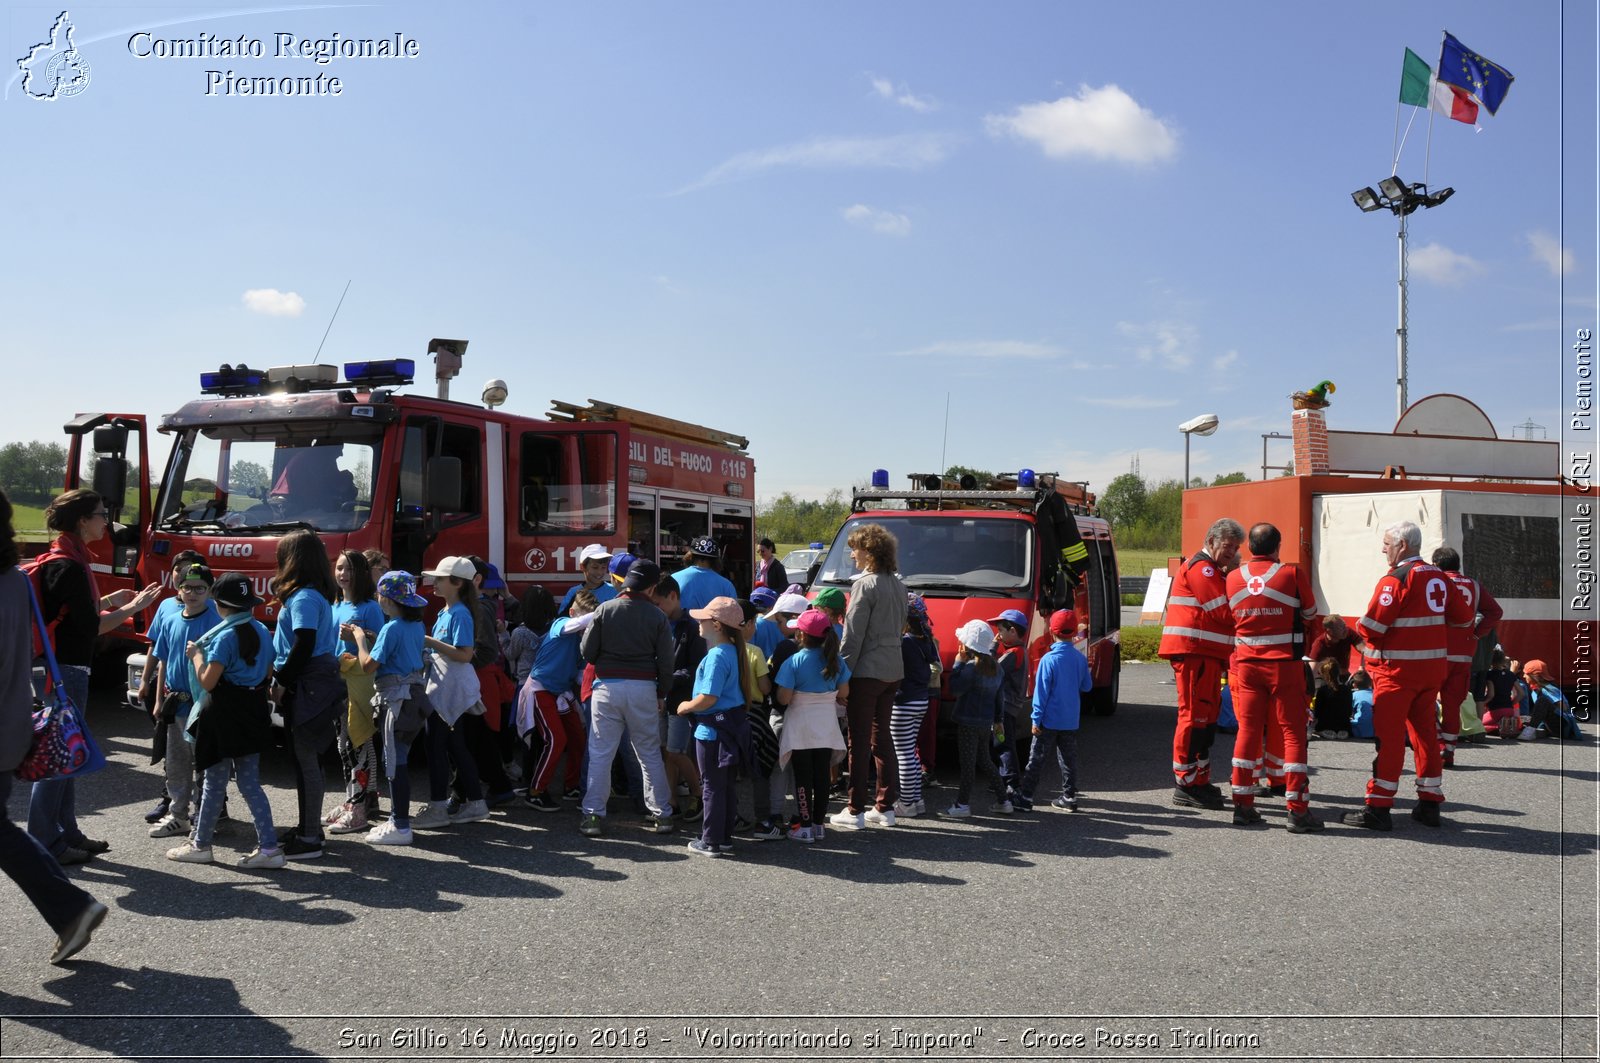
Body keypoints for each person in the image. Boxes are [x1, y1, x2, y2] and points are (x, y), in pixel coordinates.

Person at [0, 487, 109, 963]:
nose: (108, 522)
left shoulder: (45, 567)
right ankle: (69, 903)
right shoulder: (15, 579)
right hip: (12, 720)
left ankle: (70, 902)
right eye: (102, 515)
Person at [28, 489, 162, 863]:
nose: (107, 520)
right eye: (102, 513)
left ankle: (65, 833)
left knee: (69, 753)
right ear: (83, 520)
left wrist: (107, 600)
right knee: (60, 756)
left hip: (54, 667)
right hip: (66, 670)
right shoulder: (69, 565)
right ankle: (44, 841)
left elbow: (70, 615)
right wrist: (135, 607)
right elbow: (91, 630)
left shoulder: (63, 559)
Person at [1343, 521, 1474, 831]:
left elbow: (1372, 626)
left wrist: (1360, 632)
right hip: (1432, 671)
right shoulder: (1439, 576)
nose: (1383, 549)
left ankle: (1379, 807)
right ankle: (1430, 802)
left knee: (1389, 741)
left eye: (1387, 543)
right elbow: (1463, 618)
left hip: (1397, 674)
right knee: (1425, 735)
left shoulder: (1395, 579)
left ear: (1402, 545)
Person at [166, 572, 283, 869]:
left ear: (220, 604)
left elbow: (207, 682)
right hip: (253, 709)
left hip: (223, 713)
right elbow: (269, 672)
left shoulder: (223, 637)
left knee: (214, 783)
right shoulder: (260, 631)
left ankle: (200, 844)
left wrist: (195, 656)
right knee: (250, 784)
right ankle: (270, 847)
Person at [1224, 523, 1324, 833]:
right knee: (1293, 733)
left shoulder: (1231, 577)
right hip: (1284, 664)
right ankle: (1297, 809)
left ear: (1250, 547)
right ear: (1277, 547)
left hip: (1247, 665)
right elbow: (1310, 612)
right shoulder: (1292, 575)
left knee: (1248, 730)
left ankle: (1242, 805)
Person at [579, 559, 677, 836]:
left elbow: (587, 653)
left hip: (606, 687)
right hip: (644, 688)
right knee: (648, 753)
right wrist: (661, 693)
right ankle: (662, 815)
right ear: (652, 586)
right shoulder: (657, 616)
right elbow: (666, 664)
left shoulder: (604, 609)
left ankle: (592, 817)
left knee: (601, 754)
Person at [268, 529, 345, 860]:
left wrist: (282, 680)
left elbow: (304, 642)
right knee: (306, 759)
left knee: (306, 759)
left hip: (310, 680)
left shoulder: (303, 597)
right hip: (317, 678)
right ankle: (307, 827)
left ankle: (311, 837)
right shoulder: (314, 594)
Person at [1158, 517, 1243, 812]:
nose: (1231, 551)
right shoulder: (1203, 568)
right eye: (1227, 545)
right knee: (1193, 718)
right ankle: (1185, 783)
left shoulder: (1214, 570)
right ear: (1211, 541)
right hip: (1195, 654)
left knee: (1205, 722)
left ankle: (1198, 779)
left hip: (1206, 655)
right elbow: (1222, 611)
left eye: (1235, 547)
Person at [833, 523, 908, 830]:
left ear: (869, 552)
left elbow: (852, 637)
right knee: (882, 739)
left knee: (859, 742)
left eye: (856, 548)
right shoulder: (898, 584)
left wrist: (841, 675)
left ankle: (854, 810)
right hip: (893, 669)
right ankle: (885, 806)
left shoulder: (865, 585)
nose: (852, 555)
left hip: (867, 671)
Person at [352, 571, 431, 847]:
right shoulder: (416, 626)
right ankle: (397, 820)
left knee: (394, 763)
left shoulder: (392, 628)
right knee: (401, 758)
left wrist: (361, 640)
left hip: (396, 700)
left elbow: (367, 665)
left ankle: (401, 825)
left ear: (386, 599)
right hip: (416, 698)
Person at [145, 563, 221, 843]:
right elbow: (163, 659)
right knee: (176, 763)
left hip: (202, 704)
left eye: (200, 588)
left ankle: (205, 817)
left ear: (209, 591)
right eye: (187, 587)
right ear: (179, 588)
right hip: (175, 703)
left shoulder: (215, 621)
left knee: (204, 764)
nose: (192, 593)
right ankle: (178, 815)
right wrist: (158, 698)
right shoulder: (171, 619)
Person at [414, 556, 489, 828]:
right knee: (454, 746)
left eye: (440, 578)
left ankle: (438, 808)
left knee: (436, 745)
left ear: (457, 583)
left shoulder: (459, 613)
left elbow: (465, 654)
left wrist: (428, 641)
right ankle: (476, 803)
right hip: (446, 687)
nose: (434, 582)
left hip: (449, 690)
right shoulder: (450, 611)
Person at [677, 596, 752, 857]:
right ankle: (724, 837)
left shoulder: (717, 656)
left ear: (717, 625)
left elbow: (709, 697)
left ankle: (710, 841)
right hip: (731, 728)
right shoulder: (733, 650)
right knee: (726, 786)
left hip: (712, 732)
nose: (698, 621)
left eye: (704, 618)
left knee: (711, 786)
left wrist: (686, 706)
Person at [136, 548, 203, 824]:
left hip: (200, 698)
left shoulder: (211, 608)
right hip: (172, 695)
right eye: (179, 569)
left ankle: (210, 807)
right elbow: (159, 651)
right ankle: (173, 803)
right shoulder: (166, 607)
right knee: (172, 753)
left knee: (201, 756)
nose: (183, 574)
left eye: (190, 570)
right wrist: (147, 684)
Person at [774, 608, 850, 843]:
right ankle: (818, 824)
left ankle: (804, 826)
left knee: (803, 776)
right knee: (821, 776)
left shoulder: (793, 661)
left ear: (802, 635)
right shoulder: (834, 659)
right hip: (826, 725)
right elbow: (844, 692)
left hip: (801, 726)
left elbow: (784, 698)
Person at [523, 590, 597, 819]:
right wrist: (602, 613)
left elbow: (578, 672)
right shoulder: (561, 623)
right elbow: (574, 625)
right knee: (556, 740)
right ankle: (535, 791)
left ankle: (571, 786)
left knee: (579, 738)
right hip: (540, 689)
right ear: (574, 613)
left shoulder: (581, 640)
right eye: (586, 618)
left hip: (560, 692)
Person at [1015, 608, 1093, 812]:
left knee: (1036, 758)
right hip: (1070, 719)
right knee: (1068, 759)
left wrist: (1035, 719)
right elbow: (1087, 686)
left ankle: (1026, 797)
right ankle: (1069, 797)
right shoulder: (1079, 659)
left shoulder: (1048, 660)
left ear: (1052, 631)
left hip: (1047, 720)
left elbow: (1041, 694)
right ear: (1075, 631)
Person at [329, 549, 384, 834]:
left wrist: (359, 636)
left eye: (348, 569)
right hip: (338, 681)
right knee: (343, 744)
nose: (342, 574)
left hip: (361, 682)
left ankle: (359, 807)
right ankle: (353, 800)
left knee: (358, 742)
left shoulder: (370, 607)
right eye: (339, 568)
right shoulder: (334, 605)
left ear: (361, 573)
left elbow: (381, 644)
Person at [1432, 546, 1503, 767]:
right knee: (1453, 706)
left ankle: (1436, 745)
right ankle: (1449, 752)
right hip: (1463, 655)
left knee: (1423, 701)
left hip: (1435, 653)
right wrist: (1476, 633)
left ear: (1436, 565)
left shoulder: (1435, 583)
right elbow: (1495, 612)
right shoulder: (1474, 585)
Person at [649, 576, 702, 820]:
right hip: (662, 696)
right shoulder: (658, 623)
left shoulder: (691, 626)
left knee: (676, 751)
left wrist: (667, 678)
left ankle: (699, 793)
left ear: (673, 596)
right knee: (665, 751)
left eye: (658, 603)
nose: (655, 608)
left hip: (681, 700)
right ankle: (670, 801)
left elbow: (695, 667)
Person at [944, 619, 1003, 818]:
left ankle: (962, 804)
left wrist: (957, 664)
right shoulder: (996, 667)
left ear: (967, 646)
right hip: (986, 722)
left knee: (967, 765)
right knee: (985, 760)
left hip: (967, 722)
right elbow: (999, 697)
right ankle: (1004, 800)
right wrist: (998, 719)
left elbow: (955, 689)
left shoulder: (969, 668)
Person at [890, 593, 939, 819]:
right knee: (911, 752)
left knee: (904, 754)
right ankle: (916, 799)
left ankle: (906, 803)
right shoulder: (925, 639)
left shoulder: (905, 642)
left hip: (903, 702)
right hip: (921, 700)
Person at [988, 608, 1030, 812]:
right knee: (1003, 744)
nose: (998, 633)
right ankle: (1004, 781)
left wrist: (993, 646)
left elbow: (989, 668)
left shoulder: (1013, 654)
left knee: (1003, 745)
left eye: (1000, 629)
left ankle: (1012, 785)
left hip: (1005, 707)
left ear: (1012, 631)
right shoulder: (1018, 651)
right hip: (1011, 706)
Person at [1308, 615, 1359, 738]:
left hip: (1337, 678)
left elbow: (1364, 648)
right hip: (1334, 679)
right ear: (1329, 631)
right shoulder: (1319, 644)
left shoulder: (1347, 633)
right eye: (1340, 627)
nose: (1345, 628)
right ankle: (1343, 728)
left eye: (1344, 625)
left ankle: (1324, 728)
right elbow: (1311, 670)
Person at [673, 536, 736, 613]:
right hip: (713, 625)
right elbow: (733, 616)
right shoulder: (727, 586)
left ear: (690, 555)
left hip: (679, 624)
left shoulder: (674, 578)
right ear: (716, 559)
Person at [560, 544, 617, 616]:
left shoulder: (614, 591)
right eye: (595, 567)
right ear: (582, 567)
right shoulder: (573, 592)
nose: (599, 572)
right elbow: (561, 619)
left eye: (603, 567)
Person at [1478, 650, 1522, 739]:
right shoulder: (1511, 674)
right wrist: (1511, 703)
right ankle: (1507, 726)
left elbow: (1491, 695)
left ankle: (1499, 728)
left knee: (1478, 725)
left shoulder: (1490, 675)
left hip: (1495, 711)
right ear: (1503, 661)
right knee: (1492, 721)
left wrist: (1482, 703)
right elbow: (1521, 693)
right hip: (1509, 710)